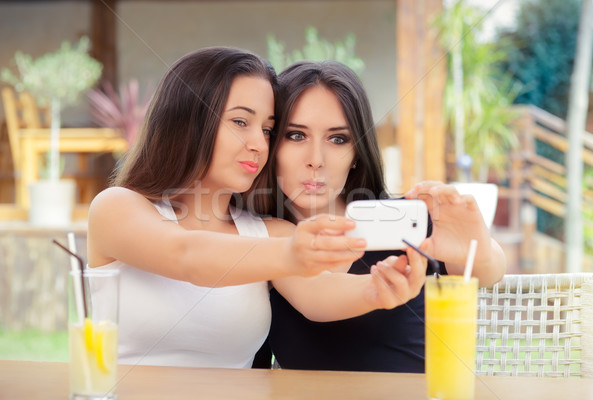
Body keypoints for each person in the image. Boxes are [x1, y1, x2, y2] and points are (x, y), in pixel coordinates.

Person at [87, 47, 428, 369]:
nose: (258, 144)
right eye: (240, 122)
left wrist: (377, 289)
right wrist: (291, 253)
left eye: (267, 129)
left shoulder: (269, 232)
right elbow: (186, 254)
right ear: (187, 121)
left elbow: (319, 294)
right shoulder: (117, 208)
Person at [251, 60, 506, 372]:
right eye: (296, 135)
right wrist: (376, 290)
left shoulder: (404, 218)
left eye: (337, 139)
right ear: (270, 144)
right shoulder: (264, 236)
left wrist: (475, 249)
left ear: (357, 153)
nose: (315, 160)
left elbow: (490, 272)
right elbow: (317, 293)